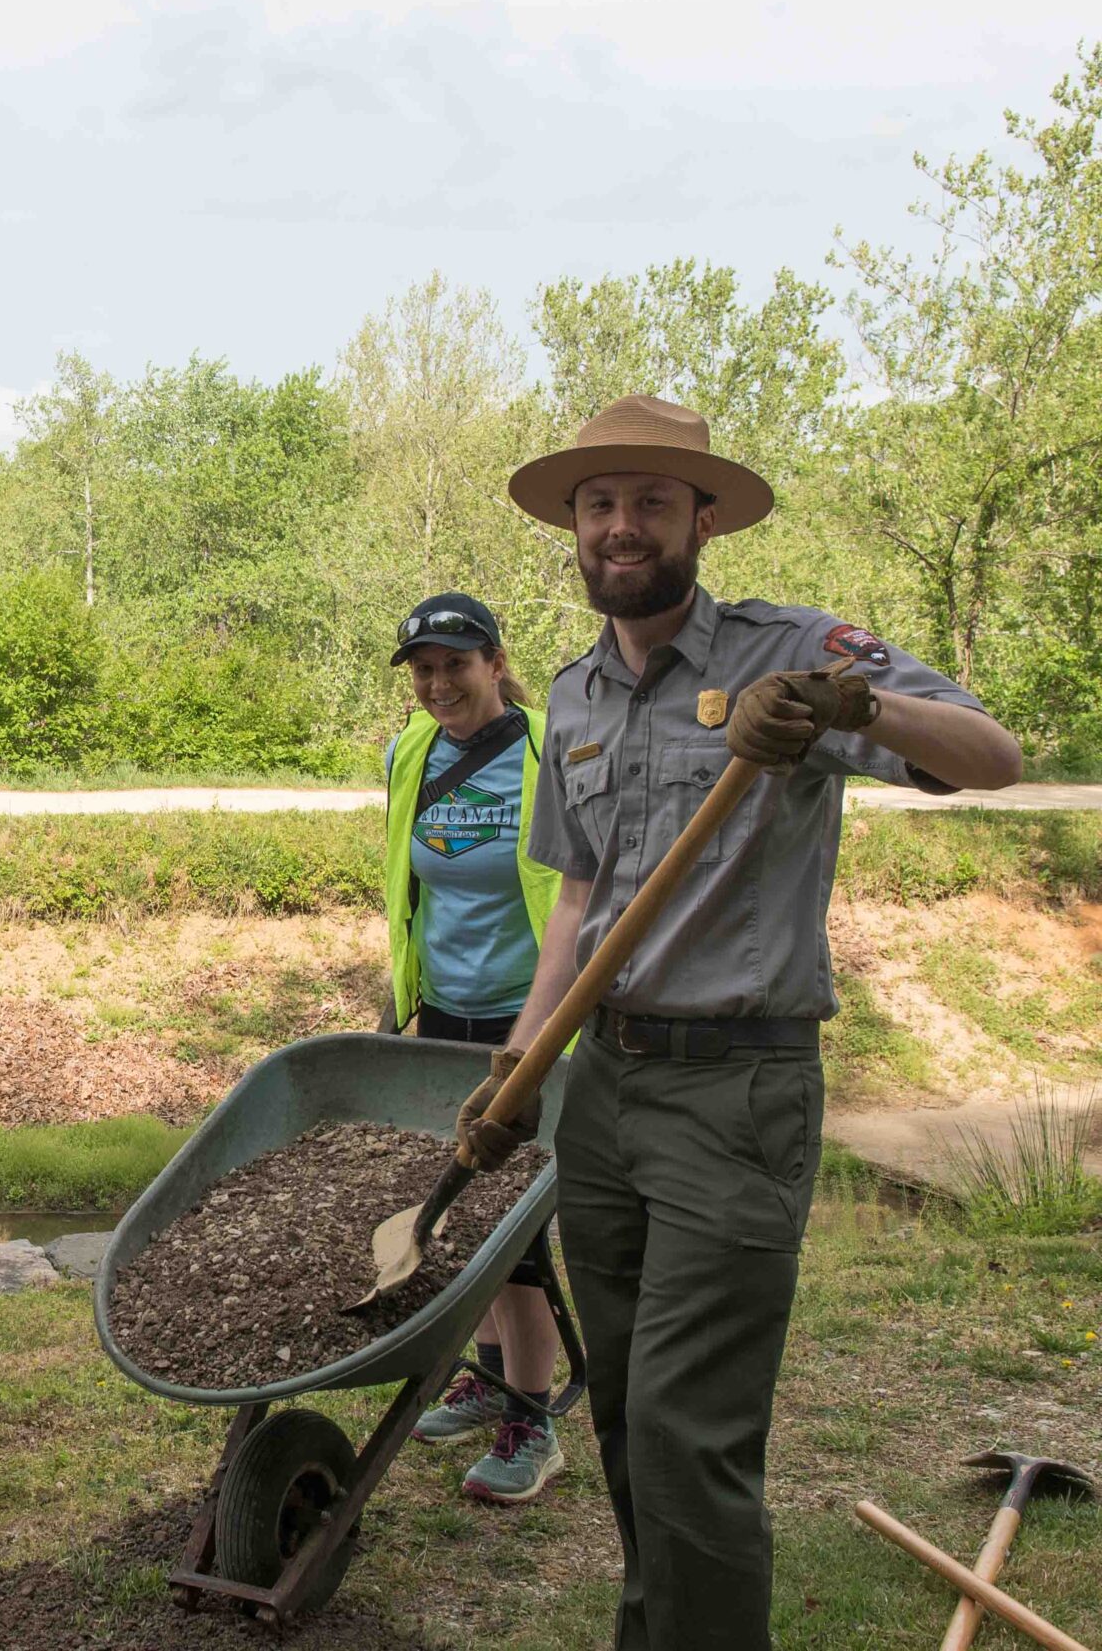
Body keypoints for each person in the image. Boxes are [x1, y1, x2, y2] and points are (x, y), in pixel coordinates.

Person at [459, 394, 1022, 1650]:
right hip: (602, 1091)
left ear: (702, 518)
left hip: (737, 1093)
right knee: (622, 1424)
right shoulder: (574, 696)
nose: (621, 525)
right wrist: (519, 1060)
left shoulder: (793, 651)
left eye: (652, 500)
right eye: (599, 502)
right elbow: (582, 897)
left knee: (685, 1430)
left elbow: (993, 756)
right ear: (572, 523)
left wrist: (851, 709)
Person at [380, 591, 567, 1505]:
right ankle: (488, 1374)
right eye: (423, 669)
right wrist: (404, 1000)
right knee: (459, 1202)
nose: (439, 683)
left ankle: (533, 1420)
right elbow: (411, 890)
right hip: (443, 1015)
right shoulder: (407, 755)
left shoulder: (549, 750)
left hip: (528, 1024)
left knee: (514, 1230)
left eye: (456, 663)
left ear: (495, 661)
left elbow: (578, 893)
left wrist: (539, 1033)